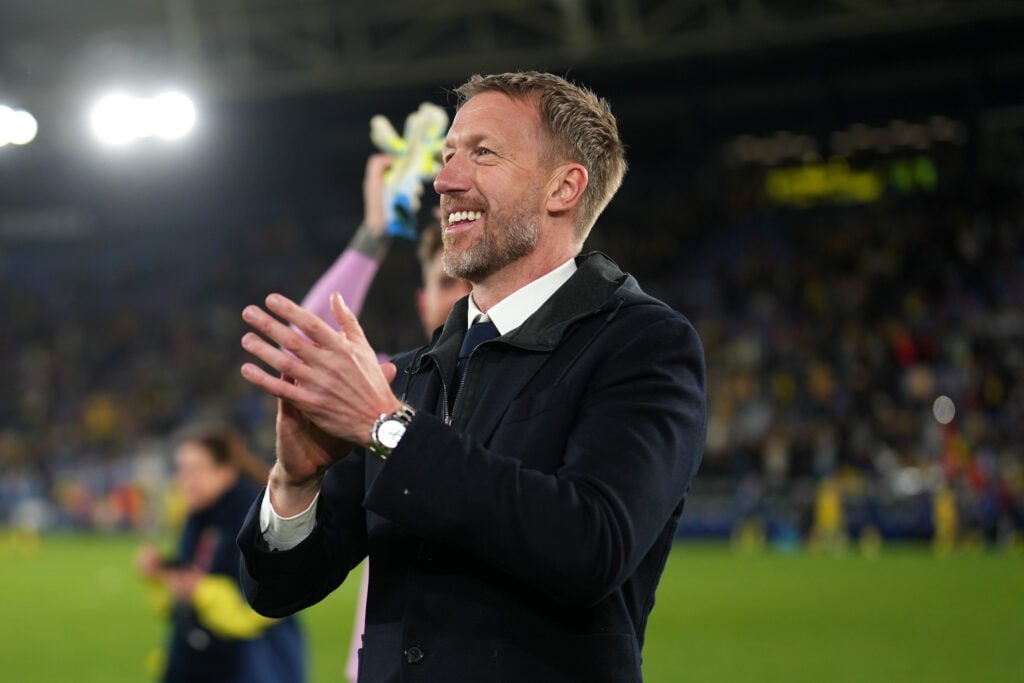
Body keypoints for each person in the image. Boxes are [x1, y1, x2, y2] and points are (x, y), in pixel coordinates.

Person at [237, 71, 707, 682]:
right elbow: (277, 590)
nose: (444, 179)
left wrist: (387, 431)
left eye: (482, 153)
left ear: (564, 187)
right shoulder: (411, 375)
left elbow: (592, 545)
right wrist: (294, 486)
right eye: (446, 155)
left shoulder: (642, 344)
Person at [299, 151, 470, 682]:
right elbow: (306, 342)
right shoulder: (388, 383)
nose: (457, 296)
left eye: (465, 280)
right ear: (423, 302)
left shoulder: (538, 389)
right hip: (383, 667)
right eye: (443, 283)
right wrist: (375, 231)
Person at [136, 423, 305, 683]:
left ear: (226, 472)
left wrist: (199, 590)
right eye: (181, 470)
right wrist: (162, 572)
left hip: (254, 661)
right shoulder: (200, 516)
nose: (183, 480)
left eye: (194, 470)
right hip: (204, 653)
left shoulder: (256, 520)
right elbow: (190, 577)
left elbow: (258, 607)